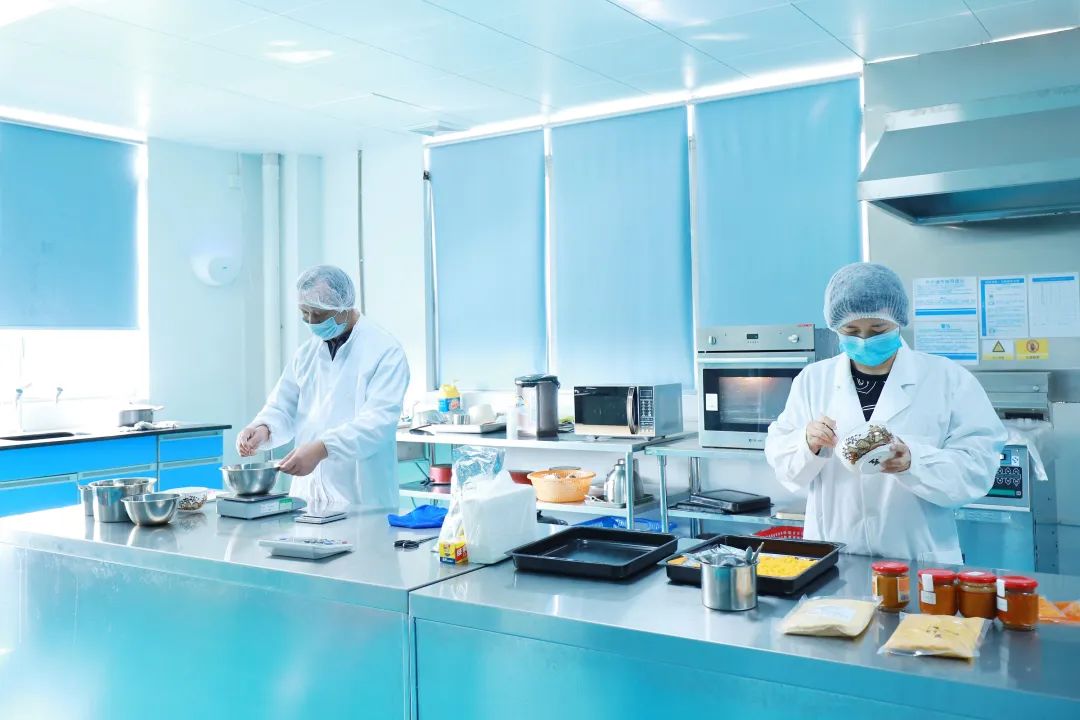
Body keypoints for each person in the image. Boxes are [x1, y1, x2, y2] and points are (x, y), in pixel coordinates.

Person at [765, 263, 1006, 563]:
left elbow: (978, 468)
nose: (864, 339)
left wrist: (915, 462)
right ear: (835, 327)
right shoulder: (813, 381)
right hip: (836, 555)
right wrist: (806, 444)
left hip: (917, 558)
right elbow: (782, 463)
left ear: (898, 321)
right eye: (851, 330)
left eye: (877, 329)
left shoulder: (948, 379)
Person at [236, 265, 409, 510]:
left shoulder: (384, 351)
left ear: (343, 308)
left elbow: (377, 424)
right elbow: (283, 406)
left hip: (361, 497)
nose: (310, 322)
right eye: (304, 313)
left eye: (317, 314)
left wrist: (322, 448)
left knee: (360, 536)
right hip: (309, 496)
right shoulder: (306, 353)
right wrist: (263, 429)